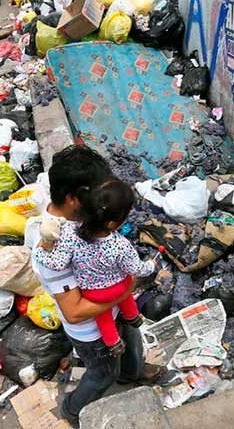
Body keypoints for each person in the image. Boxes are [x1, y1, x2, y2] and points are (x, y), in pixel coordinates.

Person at [24, 145, 144, 427]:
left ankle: (132, 374)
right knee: (103, 373)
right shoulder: (53, 243)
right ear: (74, 199)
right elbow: (75, 312)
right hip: (92, 329)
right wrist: (126, 289)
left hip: (114, 306)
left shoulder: (85, 220)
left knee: (131, 344)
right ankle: (73, 410)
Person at [36, 179, 155, 356]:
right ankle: (132, 316)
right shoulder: (120, 245)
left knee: (103, 316)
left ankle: (113, 343)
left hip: (94, 294)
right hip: (120, 287)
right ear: (113, 224)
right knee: (126, 285)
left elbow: (58, 263)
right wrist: (151, 266)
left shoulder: (69, 234)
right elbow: (136, 269)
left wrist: (39, 251)